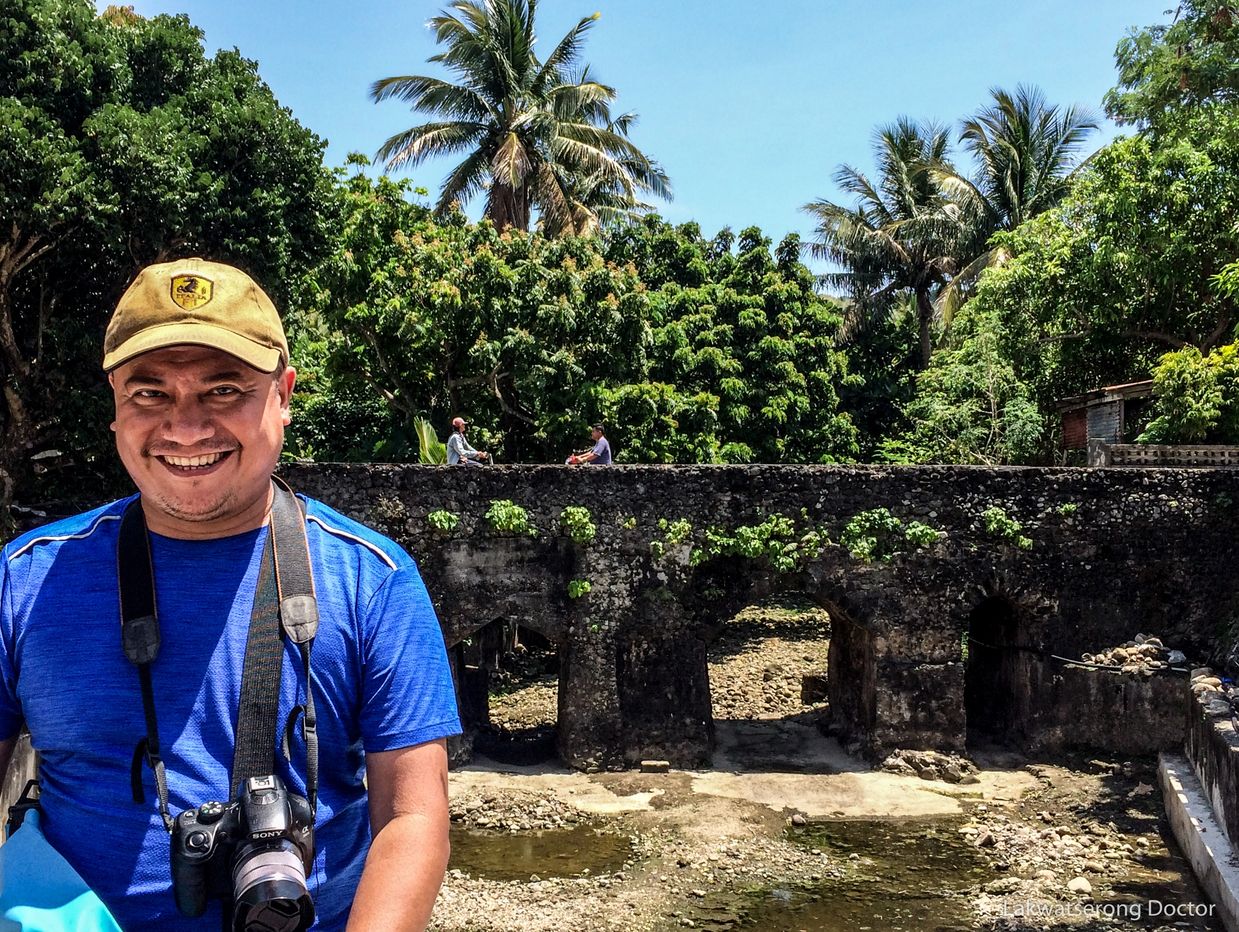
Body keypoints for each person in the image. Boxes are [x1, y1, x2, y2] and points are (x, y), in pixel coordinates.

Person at [0, 258, 461, 931]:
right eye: (149, 393)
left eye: (224, 389)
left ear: (283, 394)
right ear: (114, 406)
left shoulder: (374, 581)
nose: (185, 429)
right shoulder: (25, 580)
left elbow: (413, 815)